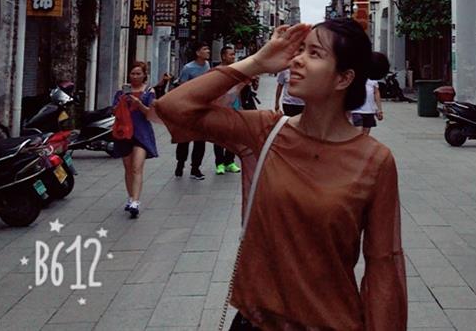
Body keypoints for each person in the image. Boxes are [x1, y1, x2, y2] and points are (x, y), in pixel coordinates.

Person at [155, 19, 407, 330]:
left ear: (344, 78)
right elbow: (173, 107)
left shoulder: (375, 161)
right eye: (300, 50)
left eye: (314, 53)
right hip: (256, 323)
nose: (297, 60)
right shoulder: (266, 131)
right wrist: (256, 63)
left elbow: (384, 265)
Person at [112, 61, 158, 219]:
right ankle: (131, 197)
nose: (135, 76)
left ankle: (136, 202)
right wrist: (121, 103)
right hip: (124, 133)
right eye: (133, 73)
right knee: (128, 167)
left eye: (139, 73)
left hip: (141, 133)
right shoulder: (121, 92)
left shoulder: (149, 92)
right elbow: (114, 111)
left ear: (144, 75)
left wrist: (139, 104)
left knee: (137, 167)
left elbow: (151, 114)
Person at [174, 41, 211, 180]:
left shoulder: (207, 66)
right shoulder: (188, 68)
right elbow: (182, 88)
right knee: (184, 139)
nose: (208, 51)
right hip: (188, 108)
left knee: (200, 140)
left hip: (202, 108)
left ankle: (195, 168)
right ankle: (180, 163)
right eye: (205, 49)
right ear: (197, 53)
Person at [213, 44, 244, 175]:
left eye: (234, 54)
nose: (233, 57)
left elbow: (238, 89)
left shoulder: (236, 70)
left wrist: (240, 105)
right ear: (223, 56)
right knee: (219, 137)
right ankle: (219, 163)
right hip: (220, 108)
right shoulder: (216, 71)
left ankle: (229, 162)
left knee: (233, 136)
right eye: (231, 54)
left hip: (234, 107)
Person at [351, 52, 388, 135]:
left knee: (365, 135)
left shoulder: (373, 79)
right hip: (356, 111)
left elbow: (376, 93)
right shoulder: (353, 76)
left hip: (369, 111)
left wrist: (379, 109)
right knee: (358, 132)